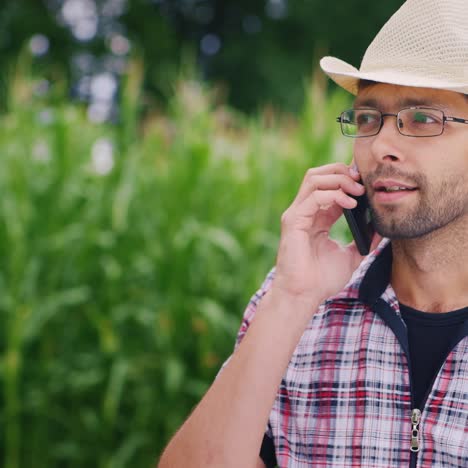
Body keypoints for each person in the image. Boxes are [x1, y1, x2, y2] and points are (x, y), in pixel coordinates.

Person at [158, 0, 468, 466]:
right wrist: (291, 297)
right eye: (367, 118)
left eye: (422, 118)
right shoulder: (299, 304)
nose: (382, 146)